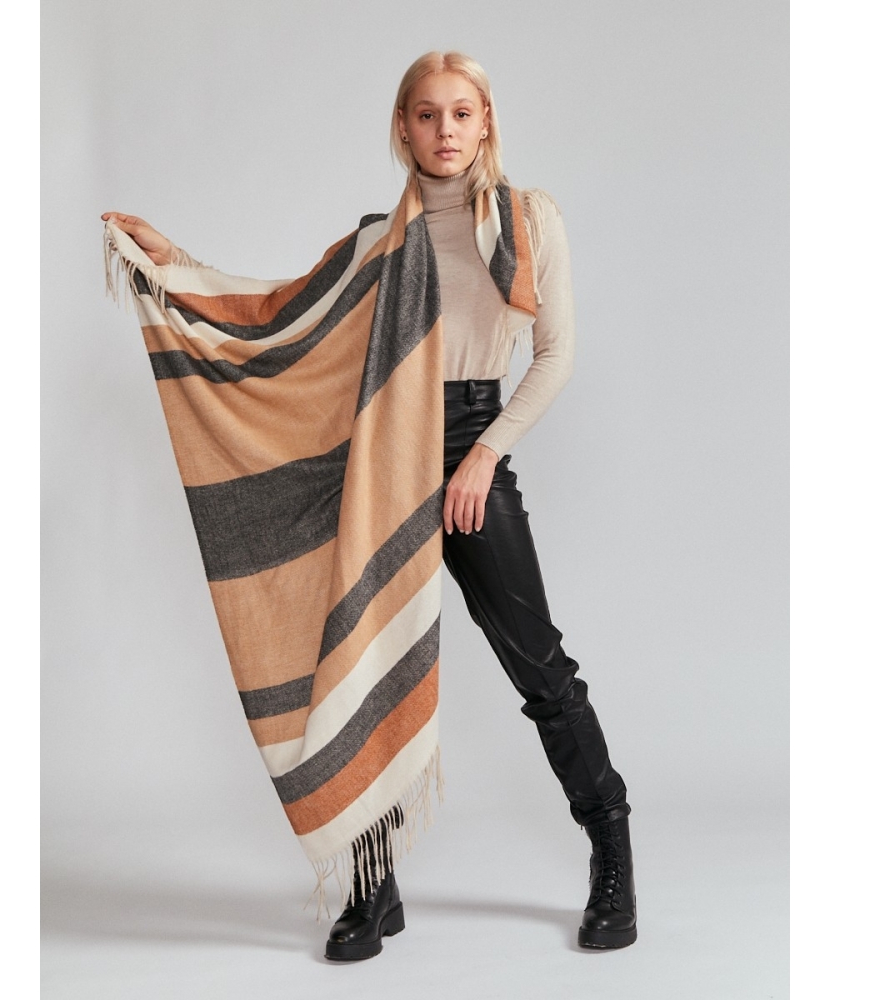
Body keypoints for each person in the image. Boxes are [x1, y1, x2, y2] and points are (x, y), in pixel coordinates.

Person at [102, 50, 636, 961]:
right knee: (364, 664)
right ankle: (371, 883)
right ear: (403, 128)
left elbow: (556, 356)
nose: (445, 130)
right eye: (427, 115)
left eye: (461, 113)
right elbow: (276, 316)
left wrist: (484, 459)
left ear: (486, 121)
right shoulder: (376, 245)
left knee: (540, 666)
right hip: (383, 449)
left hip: (470, 440)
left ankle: (613, 854)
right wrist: (172, 266)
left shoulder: (529, 219)